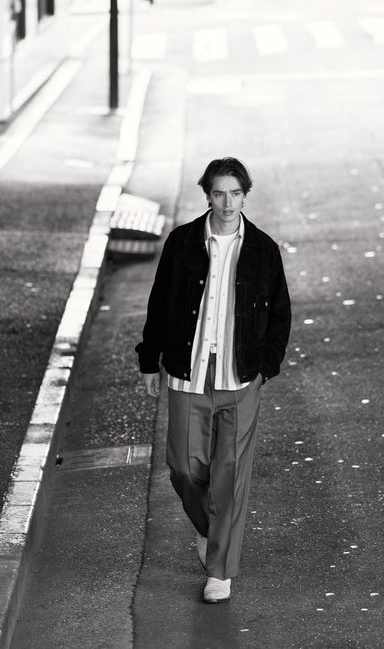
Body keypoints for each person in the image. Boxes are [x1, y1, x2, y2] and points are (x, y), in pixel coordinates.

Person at [135, 157, 291, 604]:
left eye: (235, 193)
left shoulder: (263, 249)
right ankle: (209, 528)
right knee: (184, 467)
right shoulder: (182, 242)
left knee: (230, 473)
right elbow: (160, 302)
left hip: (240, 377)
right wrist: (149, 360)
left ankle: (220, 571)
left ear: (245, 196)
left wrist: (266, 368)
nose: (227, 203)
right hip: (189, 371)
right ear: (207, 195)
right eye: (219, 193)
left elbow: (280, 313)